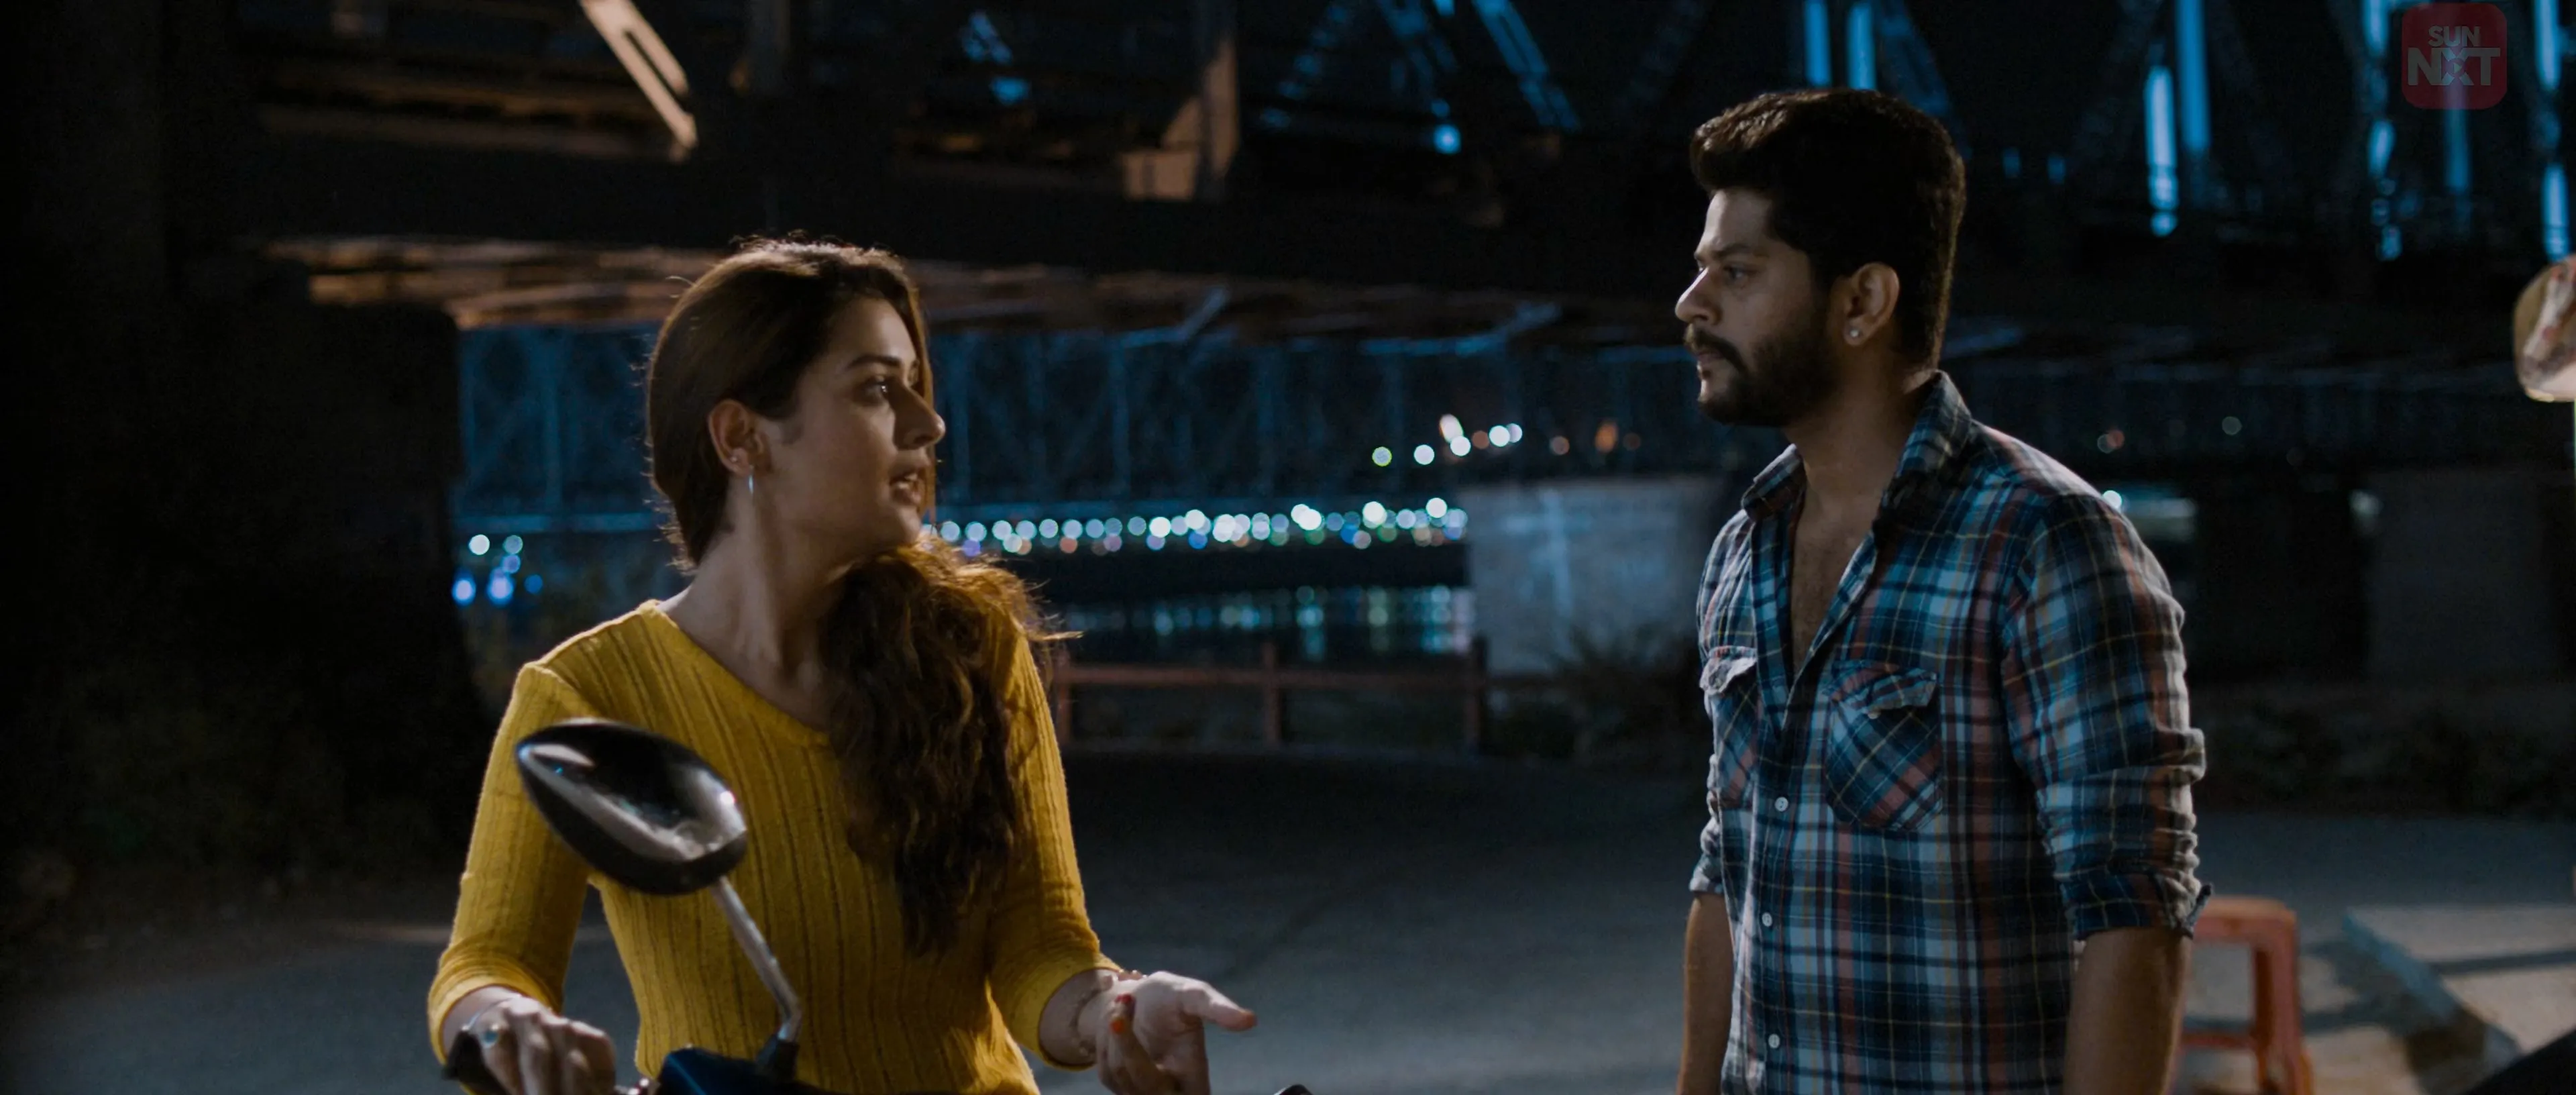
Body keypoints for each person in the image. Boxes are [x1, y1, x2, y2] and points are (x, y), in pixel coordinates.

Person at [428, 240, 1254, 1095]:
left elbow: (1039, 945)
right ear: (743, 438)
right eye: (876, 388)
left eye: (916, 385)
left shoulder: (969, 646)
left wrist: (1118, 1010)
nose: (928, 425)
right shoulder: (586, 693)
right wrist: (506, 1021)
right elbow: (486, 964)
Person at [1669, 89, 2208, 1094]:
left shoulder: (2046, 545)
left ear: (1863, 303)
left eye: (1736, 273)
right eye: (1704, 270)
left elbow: (2134, 918)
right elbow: (1726, 874)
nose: (1691, 305)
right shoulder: (1746, 549)